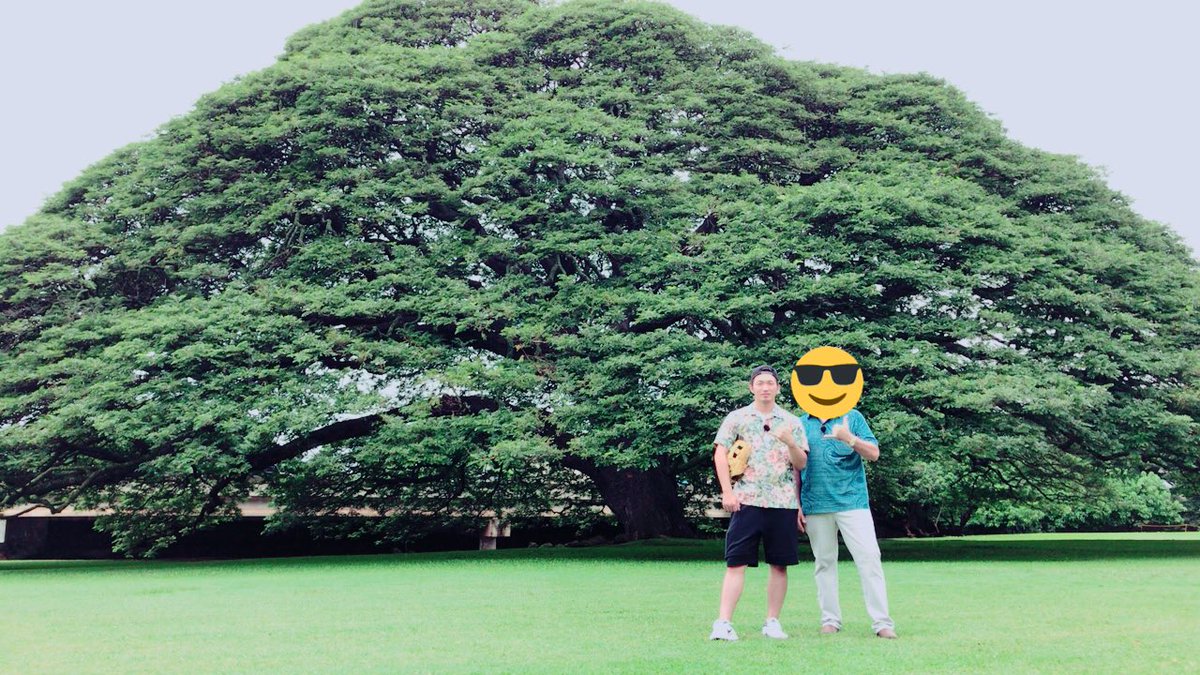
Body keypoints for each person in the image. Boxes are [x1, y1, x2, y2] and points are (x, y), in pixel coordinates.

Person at [709, 365, 809, 641]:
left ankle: (772, 622)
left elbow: (801, 464)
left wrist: (790, 443)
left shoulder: (791, 422)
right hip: (746, 500)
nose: (765, 387)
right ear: (751, 387)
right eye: (760, 383)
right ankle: (723, 623)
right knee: (736, 563)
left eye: (770, 383)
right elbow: (720, 454)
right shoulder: (737, 418)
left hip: (782, 502)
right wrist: (727, 492)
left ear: (778, 388)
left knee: (779, 564)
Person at [796, 409, 898, 639]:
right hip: (815, 503)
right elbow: (796, 466)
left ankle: (882, 622)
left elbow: (874, 453)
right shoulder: (800, 423)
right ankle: (830, 620)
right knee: (824, 562)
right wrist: (797, 504)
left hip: (853, 502)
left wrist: (849, 438)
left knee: (869, 558)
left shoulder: (852, 417)